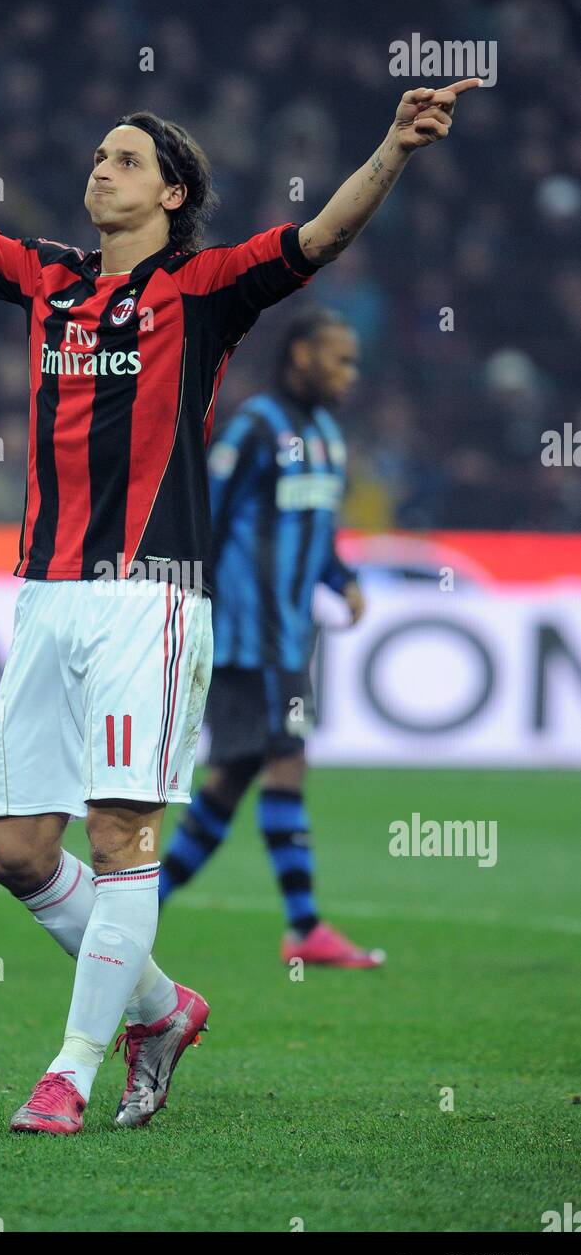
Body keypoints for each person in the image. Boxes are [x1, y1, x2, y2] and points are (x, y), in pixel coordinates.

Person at [0, 69, 479, 1134]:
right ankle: (159, 1008)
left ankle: (69, 1071)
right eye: (99, 154)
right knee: (14, 852)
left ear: (170, 193)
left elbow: (320, 238)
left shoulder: (202, 289)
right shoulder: (48, 279)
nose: (99, 169)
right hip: (45, 594)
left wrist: (393, 147)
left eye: (125, 159)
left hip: (148, 601)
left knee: (119, 833)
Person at [160, 307, 385, 968]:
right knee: (285, 758)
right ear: (300, 355)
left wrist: (341, 578)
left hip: (289, 639)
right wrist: (190, 605)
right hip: (246, 637)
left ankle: (145, 901)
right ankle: (304, 925)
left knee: (234, 776)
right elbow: (203, 516)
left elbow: (314, 529)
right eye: (340, 359)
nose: (350, 374)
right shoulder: (255, 428)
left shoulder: (328, 435)